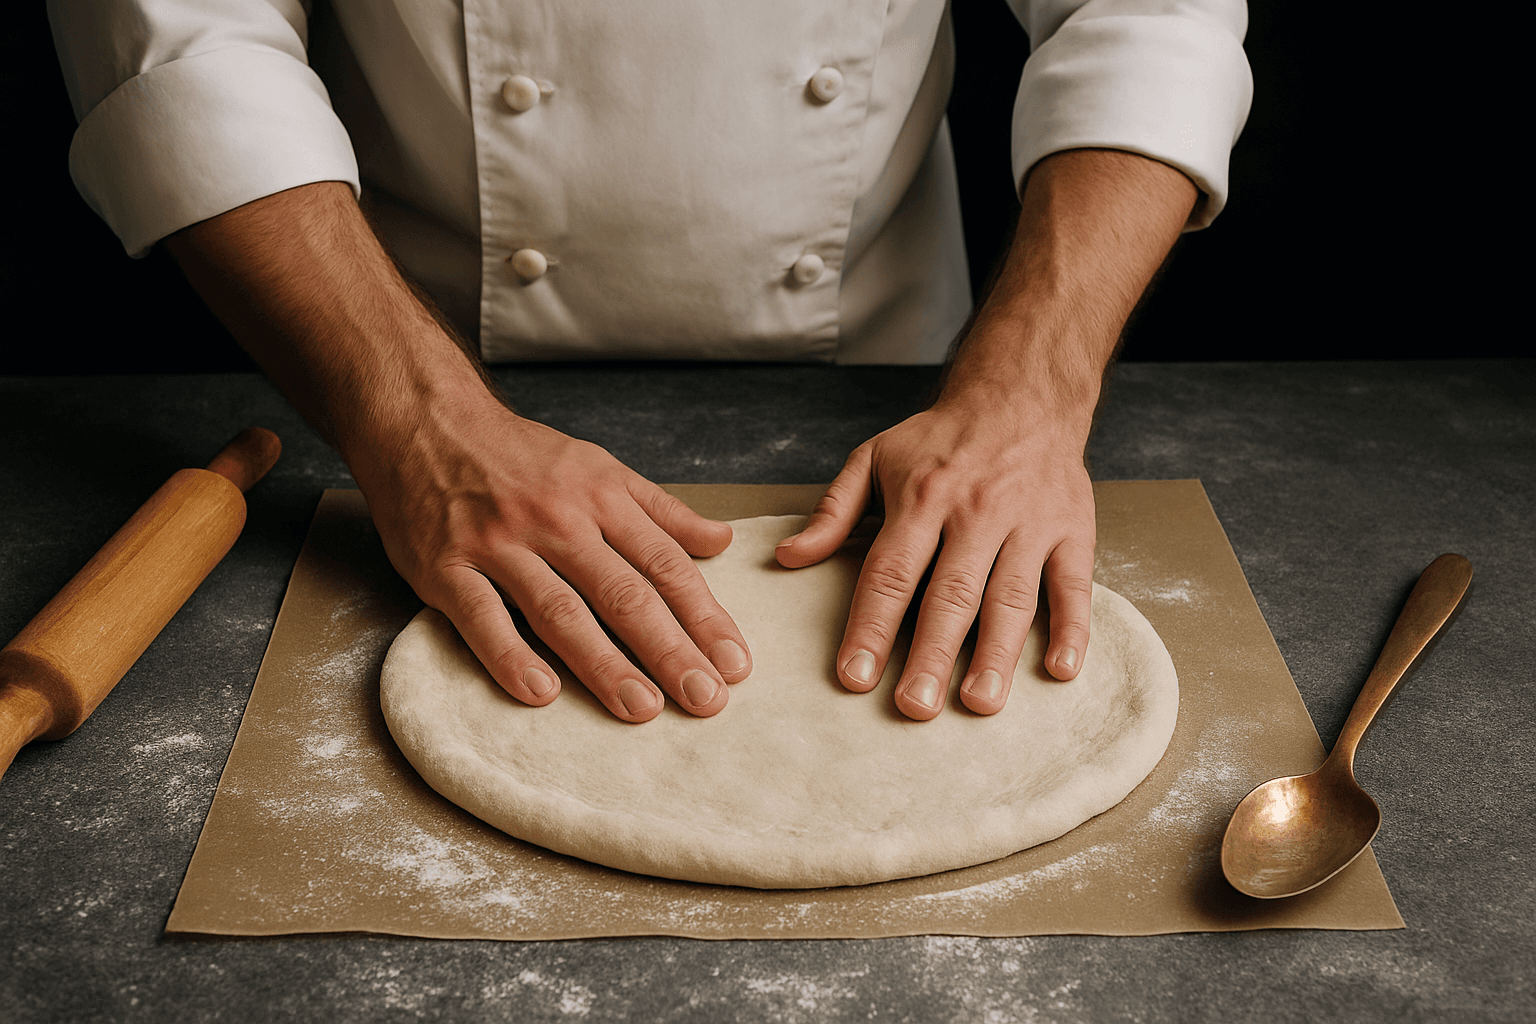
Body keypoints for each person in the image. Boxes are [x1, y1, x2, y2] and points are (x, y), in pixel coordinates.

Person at [49, 0, 1252, 724]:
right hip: (405, 331)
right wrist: (416, 421)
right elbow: (191, 39)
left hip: (873, 367)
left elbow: (1143, 10)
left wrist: (1032, 389)